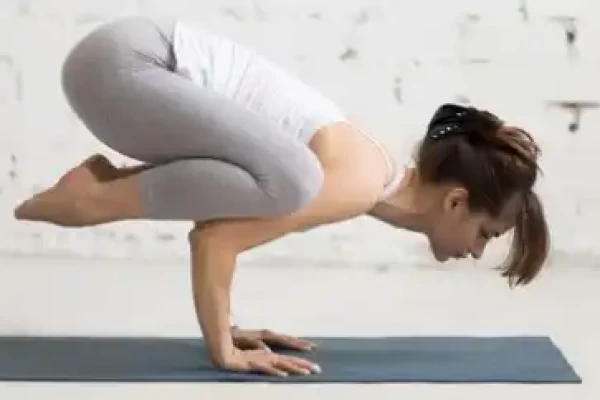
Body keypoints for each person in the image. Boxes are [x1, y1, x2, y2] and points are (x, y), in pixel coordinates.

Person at [13, 16, 549, 377]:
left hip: (122, 68)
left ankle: (102, 186)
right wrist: (222, 349)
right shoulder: (358, 181)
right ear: (455, 201)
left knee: (285, 178)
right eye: (486, 234)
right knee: (294, 179)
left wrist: (229, 327)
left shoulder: (370, 169)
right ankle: (98, 196)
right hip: (126, 66)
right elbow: (216, 238)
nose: (476, 252)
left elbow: (218, 218)